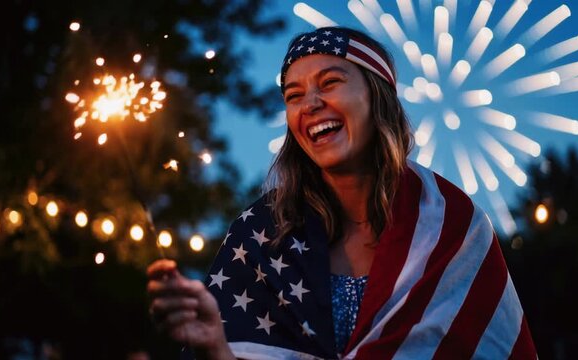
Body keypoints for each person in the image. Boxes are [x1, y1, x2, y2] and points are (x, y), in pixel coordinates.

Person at [147, 26, 537, 359]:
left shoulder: (455, 226)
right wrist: (217, 347)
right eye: (294, 95)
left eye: (330, 82)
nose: (311, 104)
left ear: (377, 96)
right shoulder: (258, 236)